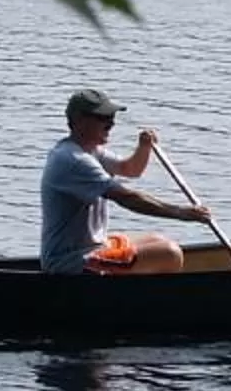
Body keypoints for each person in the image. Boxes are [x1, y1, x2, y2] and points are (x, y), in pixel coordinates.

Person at [40, 88, 210, 274]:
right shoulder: (73, 160)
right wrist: (180, 212)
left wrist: (143, 148)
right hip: (69, 263)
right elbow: (126, 198)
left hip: (93, 246)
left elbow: (130, 170)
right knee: (170, 253)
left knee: (157, 240)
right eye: (103, 118)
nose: (111, 124)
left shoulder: (92, 151)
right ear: (80, 121)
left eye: (112, 117)